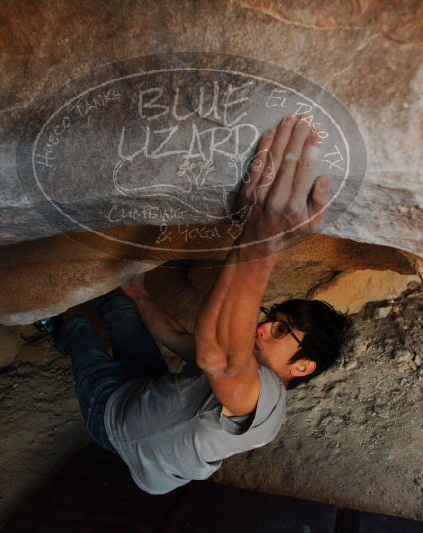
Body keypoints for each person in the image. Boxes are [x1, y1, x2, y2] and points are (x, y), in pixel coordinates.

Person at [41, 115, 350, 494]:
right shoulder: (246, 366)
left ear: (303, 365)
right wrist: (140, 294)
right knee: (121, 302)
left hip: (113, 417)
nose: (264, 327)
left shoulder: (261, 400)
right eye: (274, 318)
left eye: (282, 331)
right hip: (147, 388)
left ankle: (55, 325)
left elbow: (218, 356)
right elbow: (177, 336)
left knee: (82, 333)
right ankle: (96, 292)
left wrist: (262, 237)